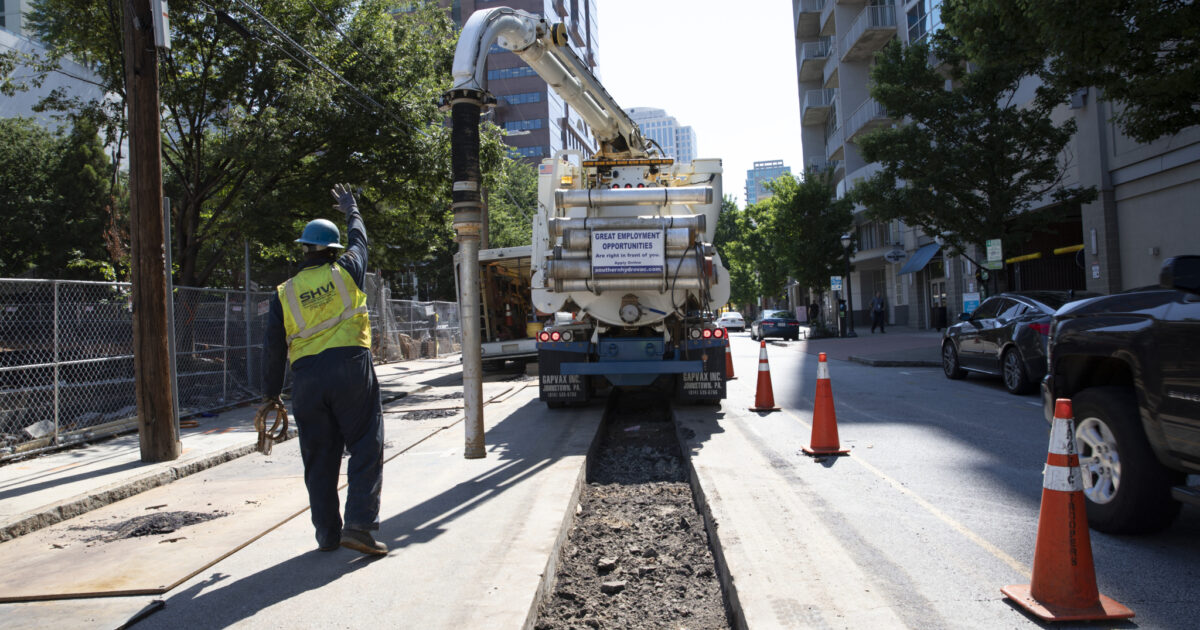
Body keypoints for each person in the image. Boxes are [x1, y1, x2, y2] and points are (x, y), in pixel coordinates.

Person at [261, 184, 386, 556]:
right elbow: (360, 240)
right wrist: (351, 209)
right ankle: (359, 526)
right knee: (366, 443)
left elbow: (272, 348)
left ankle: (327, 535)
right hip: (350, 370)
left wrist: (270, 395)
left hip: (307, 380)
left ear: (304, 249)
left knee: (319, 457)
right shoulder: (347, 269)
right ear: (333, 250)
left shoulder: (284, 292)